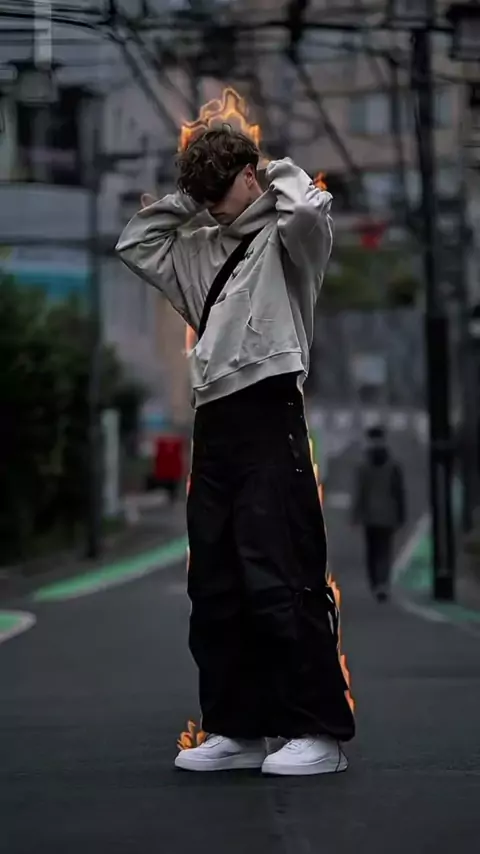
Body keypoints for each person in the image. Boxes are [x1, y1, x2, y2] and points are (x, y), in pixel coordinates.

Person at [116, 126, 355, 776]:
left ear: (250, 176)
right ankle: (236, 728)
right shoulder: (199, 248)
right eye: (207, 199)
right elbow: (135, 243)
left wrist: (269, 168)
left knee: (282, 574)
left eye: (222, 192)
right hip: (214, 422)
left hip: (270, 411)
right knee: (215, 584)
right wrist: (192, 198)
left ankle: (317, 732)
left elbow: (306, 209)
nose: (217, 208)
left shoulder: (290, 239)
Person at [351, 426, 406, 602]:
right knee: (384, 550)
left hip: (370, 516)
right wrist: (401, 514)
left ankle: (376, 583)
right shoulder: (393, 466)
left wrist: (356, 514)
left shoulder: (364, 466)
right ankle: (383, 583)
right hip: (388, 515)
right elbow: (399, 492)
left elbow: (361, 492)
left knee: (372, 551)